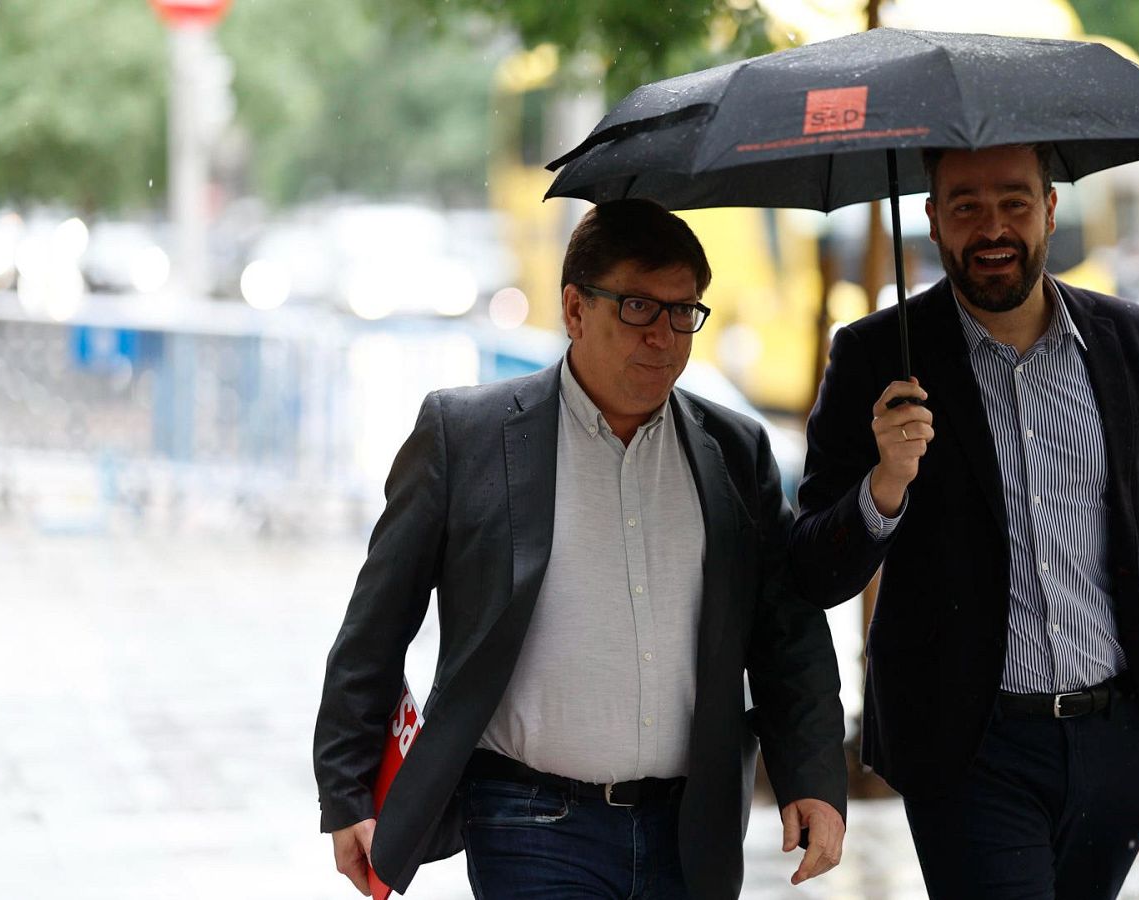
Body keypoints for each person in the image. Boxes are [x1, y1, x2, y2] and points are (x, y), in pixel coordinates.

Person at [315, 198, 847, 899]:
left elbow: (787, 633)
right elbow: (376, 627)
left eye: (683, 311)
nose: (663, 336)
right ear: (574, 309)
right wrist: (347, 792)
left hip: (690, 831)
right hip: (527, 819)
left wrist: (813, 777)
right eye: (638, 307)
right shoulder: (466, 437)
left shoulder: (735, 450)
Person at [788, 144, 1139, 898]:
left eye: (1014, 202)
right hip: (968, 751)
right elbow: (815, 570)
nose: (992, 229)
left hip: (1119, 741)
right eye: (966, 206)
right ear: (932, 219)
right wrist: (886, 482)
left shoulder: (1135, 342)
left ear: (1050, 209)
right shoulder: (876, 355)